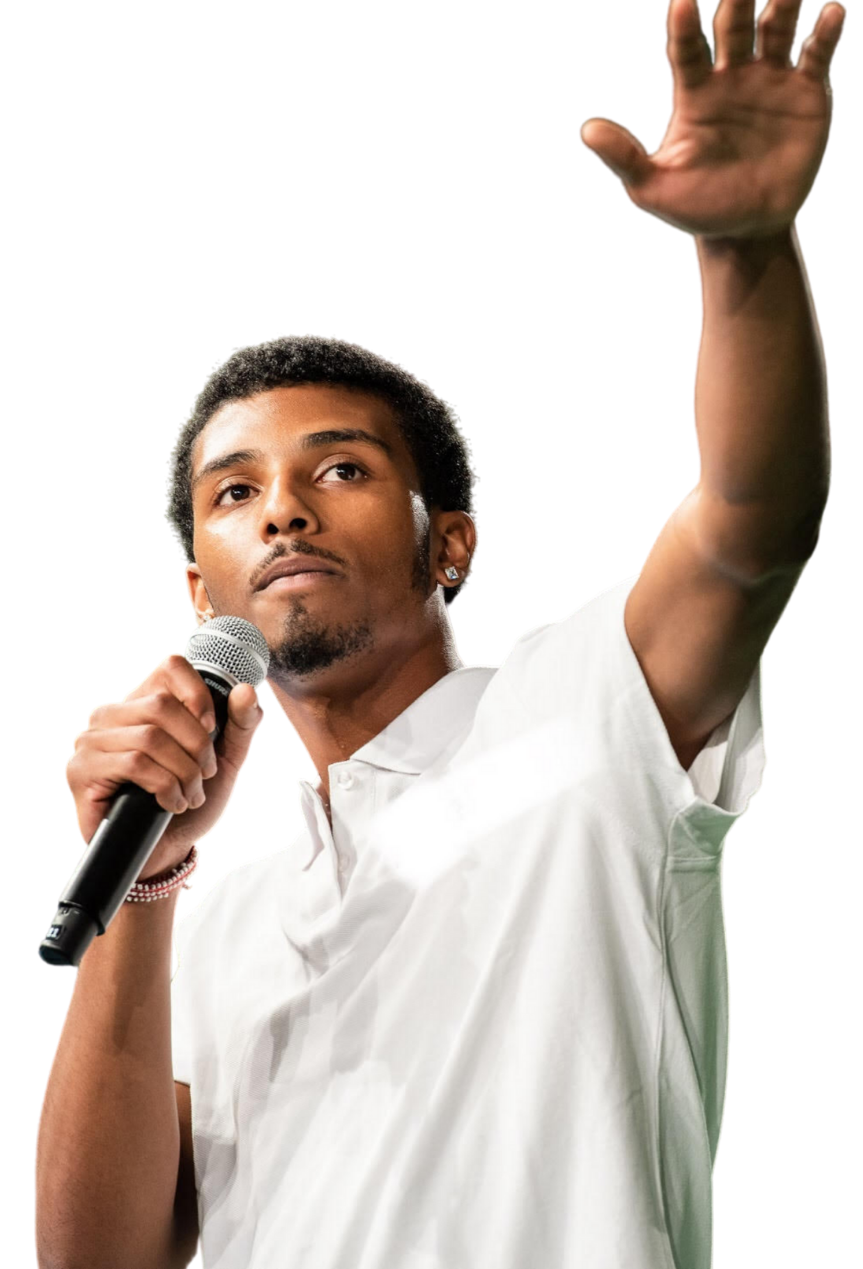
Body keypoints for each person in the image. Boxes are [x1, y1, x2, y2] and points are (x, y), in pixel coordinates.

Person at [36, 1, 843, 1265]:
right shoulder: (229, 923)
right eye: (235, 493)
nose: (283, 509)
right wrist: (142, 892)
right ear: (202, 595)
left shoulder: (581, 714)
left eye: (340, 470)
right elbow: (98, 1258)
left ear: (448, 544)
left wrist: (744, 251)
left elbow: (752, 524)